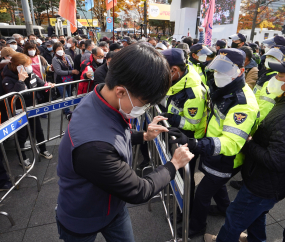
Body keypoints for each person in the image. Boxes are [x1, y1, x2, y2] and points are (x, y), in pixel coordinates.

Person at [56, 42, 194, 242]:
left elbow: (116, 137)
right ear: (120, 91)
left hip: (114, 208)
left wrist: (144, 136)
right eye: (144, 102)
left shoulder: (100, 99)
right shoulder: (94, 147)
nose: (145, 108)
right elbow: (138, 190)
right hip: (83, 216)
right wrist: (173, 165)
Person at [169, 48, 259, 239]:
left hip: (226, 157)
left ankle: (196, 227)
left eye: (225, 70)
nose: (218, 74)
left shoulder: (242, 103)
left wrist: (196, 144)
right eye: (217, 69)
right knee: (216, 187)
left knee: (202, 194)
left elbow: (231, 143)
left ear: (241, 71)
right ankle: (223, 208)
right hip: (213, 151)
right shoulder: (224, 90)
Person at [204, 61, 285, 242]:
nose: (275, 78)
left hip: (263, 184)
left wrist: (248, 143)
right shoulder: (281, 100)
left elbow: (276, 159)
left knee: (235, 217)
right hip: (263, 181)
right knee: (256, 216)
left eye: (280, 76)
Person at [159, 48, 207, 220]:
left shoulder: (193, 92)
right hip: (178, 134)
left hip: (189, 139)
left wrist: (171, 119)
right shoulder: (180, 79)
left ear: (174, 70)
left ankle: (185, 211)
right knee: (179, 174)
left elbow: (193, 124)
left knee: (185, 178)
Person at [2, 53, 54, 167]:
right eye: (27, 65)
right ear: (19, 67)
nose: (30, 67)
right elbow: (14, 96)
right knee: (22, 135)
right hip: (18, 113)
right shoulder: (7, 79)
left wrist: (48, 85)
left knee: (38, 130)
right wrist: (20, 81)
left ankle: (43, 149)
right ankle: (22, 158)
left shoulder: (32, 75)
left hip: (32, 108)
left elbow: (41, 84)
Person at [52, 42, 79, 119]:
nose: (60, 50)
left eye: (61, 48)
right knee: (65, 96)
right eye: (58, 49)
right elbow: (58, 71)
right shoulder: (55, 59)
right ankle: (67, 111)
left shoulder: (67, 56)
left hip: (69, 79)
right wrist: (71, 72)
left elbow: (72, 65)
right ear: (55, 51)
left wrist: (73, 70)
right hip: (60, 81)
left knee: (68, 95)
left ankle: (65, 109)